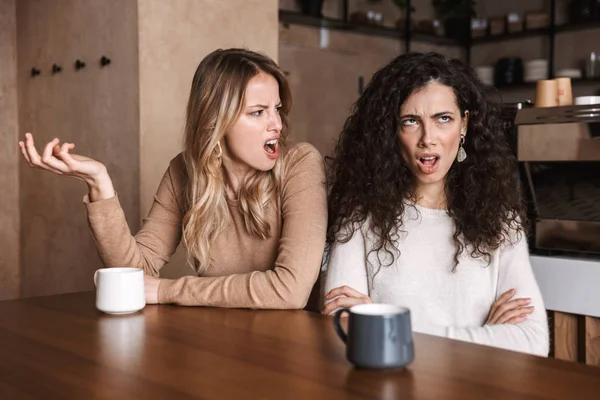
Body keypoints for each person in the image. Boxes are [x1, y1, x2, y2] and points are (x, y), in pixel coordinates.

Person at [19, 48, 327, 309]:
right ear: (216, 121)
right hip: (215, 342)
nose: (277, 124)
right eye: (258, 112)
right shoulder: (184, 170)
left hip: (286, 348)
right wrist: (100, 184)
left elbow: (291, 290)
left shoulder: (300, 164)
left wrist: (168, 291)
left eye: (277, 109)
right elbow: (136, 275)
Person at [322, 52, 549, 356]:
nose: (428, 138)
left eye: (443, 119)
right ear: (391, 131)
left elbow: (533, 341)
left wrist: (386, 325)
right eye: (411, 121)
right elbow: (342, 336)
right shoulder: (359, 219)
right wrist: (485, 336)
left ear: (464, 124)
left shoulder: (500, 221)